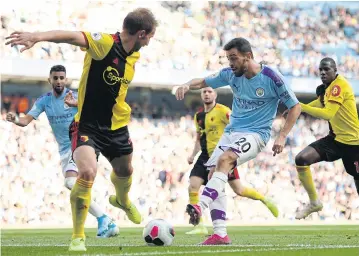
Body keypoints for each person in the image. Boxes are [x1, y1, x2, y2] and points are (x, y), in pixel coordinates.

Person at [6, 8, 158, 252]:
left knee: (125, 169)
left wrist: (82, 99)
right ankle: (78, 237)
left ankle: (122, 200)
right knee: (86, 173)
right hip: (87, 125)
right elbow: (70, 36)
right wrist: (37, 36)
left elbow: (109, 92)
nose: (150, 42)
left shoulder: (134, 56)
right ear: (141, 33)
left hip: (117, 126)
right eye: (150, 37)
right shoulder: (105, 43)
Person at [175, 38, 301, 245]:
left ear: (248, 56)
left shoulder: (271, 77)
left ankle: (200, 205)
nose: (230, 63)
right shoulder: (230, 74)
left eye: (233, 58)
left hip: (255, 134)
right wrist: (187, 85)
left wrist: (282, 135)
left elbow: (295, 106)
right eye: (228, 59)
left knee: (226, 159)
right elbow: (204, 81)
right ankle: (220, 234)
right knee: (213, 174)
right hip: (232, 132)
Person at [6, 65, 118, 238]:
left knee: (71, 184)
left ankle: (104, 219)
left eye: (61, 78)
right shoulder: (44, 100)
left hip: (81, 142)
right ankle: (104, 220)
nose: (59, 81)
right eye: (55, 78)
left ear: (65, 79)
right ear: (49, 80)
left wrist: (77, 104)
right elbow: (25, 120)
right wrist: (15, 119)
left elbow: (97, 107)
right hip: (65, 150)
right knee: (73, 185)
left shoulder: (74, 95)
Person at [186, 87, 278, 235]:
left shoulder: (223, 111)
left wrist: (239, 148)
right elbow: (199, 138)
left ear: (215, 94)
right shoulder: (199, 116)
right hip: (204, 156)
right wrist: (192, 154)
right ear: (201, 95)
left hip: (223, 156)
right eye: (204, 92)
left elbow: (237, 125)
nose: (207, 94)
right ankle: (200, 225)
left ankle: (264, 199)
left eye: (210, 91)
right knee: (193, 186)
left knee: (239, 190)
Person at [294, 57, 359, 219]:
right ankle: (314, 202)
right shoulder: (328, 88)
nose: (322, 72)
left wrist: (302, 107)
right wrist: (297, 108)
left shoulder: (339, 86)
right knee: (301, 159)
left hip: (354, 143)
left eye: (326, 69)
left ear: (335, 70)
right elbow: (319, 103)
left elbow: (327, 113)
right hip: (335, 140)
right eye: (320, 70)